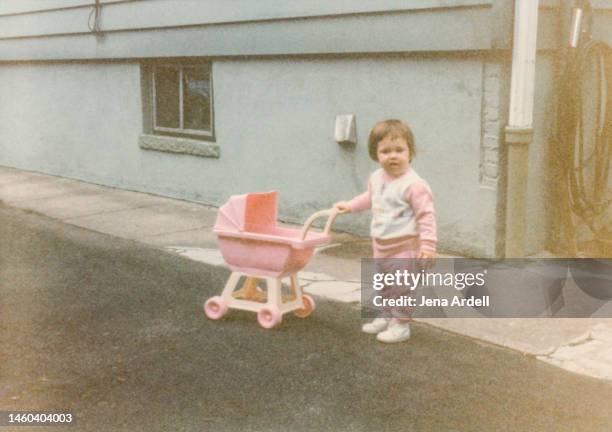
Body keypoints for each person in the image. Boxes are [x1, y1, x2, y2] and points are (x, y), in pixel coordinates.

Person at [334, 119, 437, 343]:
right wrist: (350, 205)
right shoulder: (376, 177)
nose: (393, 156)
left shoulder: (414, 185)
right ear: (375, 154)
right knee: (383, 283)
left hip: (405, 245)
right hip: (381, 244)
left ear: (410, 151)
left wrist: (428, 246)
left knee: (401, 286)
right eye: (385, 151)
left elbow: (426, 216)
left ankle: (401, 325)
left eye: (399, 150)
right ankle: (387, 315)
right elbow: (370, 198)